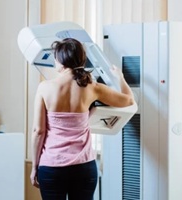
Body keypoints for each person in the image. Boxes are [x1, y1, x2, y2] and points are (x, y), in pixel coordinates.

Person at [30, 38, 135, 200]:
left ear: (61, 60)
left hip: (52, 166)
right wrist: (120, 77)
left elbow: (39, 131)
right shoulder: (92, 87)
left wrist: (34, 167)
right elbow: (129, 100)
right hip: (84, 167)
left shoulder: (45, 87)